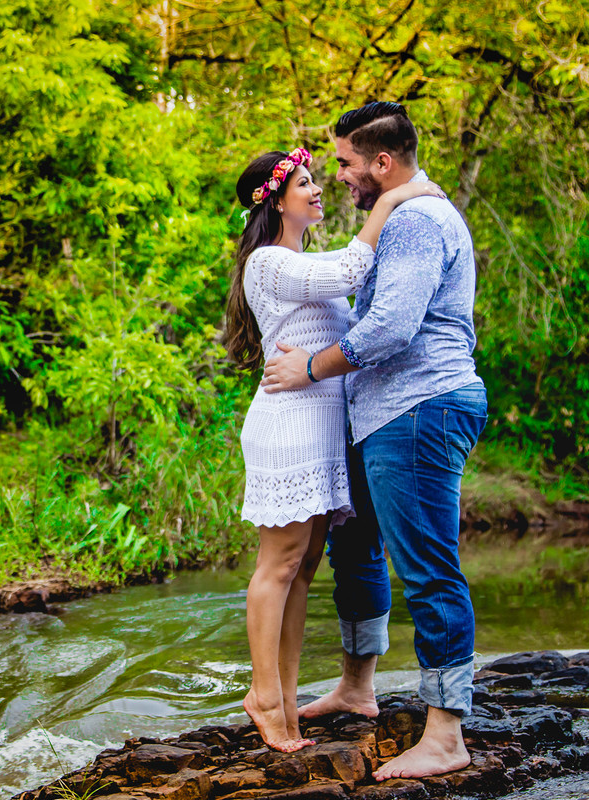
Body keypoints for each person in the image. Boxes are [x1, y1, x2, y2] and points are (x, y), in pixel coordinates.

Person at [259, 101, 488, 780]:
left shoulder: (417, 219)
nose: (340, 176)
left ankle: (446, 733)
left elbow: (390, 327)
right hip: (381, 412)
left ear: (381, 162)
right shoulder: (402, 212)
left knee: (426, 563)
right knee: (354, 543)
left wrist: (308, 366)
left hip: (420, 408)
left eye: (345, 163)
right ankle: (359, 687)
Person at [224, 147, 443, 752]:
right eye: (304, 182)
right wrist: (397, 197)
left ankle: (285, 698)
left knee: (303, 573)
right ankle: (263, 695)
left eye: (316, 179)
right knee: (279, 565)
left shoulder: (297, 259)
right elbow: (352, 270)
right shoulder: (268, 263)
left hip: (323, 428)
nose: (317, 189)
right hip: (290, 428)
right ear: (274, 200)